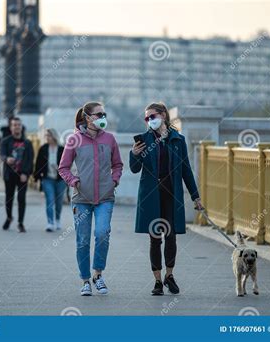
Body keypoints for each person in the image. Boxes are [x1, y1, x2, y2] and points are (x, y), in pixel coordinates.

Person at [129, 102, 203, 296]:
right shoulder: (143, 140)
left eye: (152, 116)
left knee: (171, 237)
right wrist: (134, 154)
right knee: (155, 239)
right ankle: (157, 281)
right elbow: (135, 169)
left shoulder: (178, 140)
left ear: (163, 116)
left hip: (172, 195)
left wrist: (196, 197)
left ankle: (170, 276)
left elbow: (186, 170)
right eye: (146, 118)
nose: (149, 121)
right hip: (151, 197)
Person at [58, 101, 123, 296]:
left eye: (104, 114)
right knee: (83, 240)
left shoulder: (110, 139)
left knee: (102, 233)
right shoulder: (74, 140)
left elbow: (118, 164)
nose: (103, 117)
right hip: (81, 198)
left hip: (105, 196)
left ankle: (98, 275)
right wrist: (73, 180)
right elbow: (63, 168)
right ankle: (85, 280)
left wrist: (114, 180)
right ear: (87, 117)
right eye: (98, 114)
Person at [0, 117, 34, 233]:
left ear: (21, 127)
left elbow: (30, 160)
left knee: (21, 199)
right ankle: (9, 217)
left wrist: (26, 173)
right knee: (9, 198)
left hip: (22, 175)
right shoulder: (5, 141)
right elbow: (2, 155)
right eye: (14, 125)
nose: (16, 127)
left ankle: (20, 223)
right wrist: (6, 159)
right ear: (11, 127)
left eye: (18, 125)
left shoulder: (27, 143)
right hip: (9, 174)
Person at [34, 128, 66, 232]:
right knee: (50, 200)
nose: (46, 137)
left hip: (60, 179)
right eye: (46, 136)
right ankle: (50, 222)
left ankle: (57, 220)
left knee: (59, 202)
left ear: (54, 136)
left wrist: (60, 168)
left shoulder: (62, 149)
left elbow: (67, 164)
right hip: (47, 179)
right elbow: (38, 164)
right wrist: (37, 177)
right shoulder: (43, 148)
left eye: (48, 135)